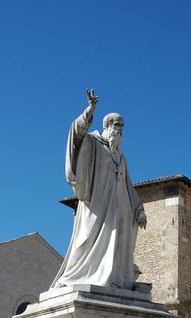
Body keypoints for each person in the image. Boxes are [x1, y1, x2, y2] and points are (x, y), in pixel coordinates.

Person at [51, 89, 147, 290]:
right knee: (85, 242)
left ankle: (114, 279)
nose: (119, 131)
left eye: (122, 127)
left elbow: (128, 186)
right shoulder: (94, 143)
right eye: (116, 126)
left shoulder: (122, 158)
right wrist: (90, 110)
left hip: (117, 210)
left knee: (115, 245)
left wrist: (139, 209)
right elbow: (76, 134)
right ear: (107, 126)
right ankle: (75, 276)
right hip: (95, 205)